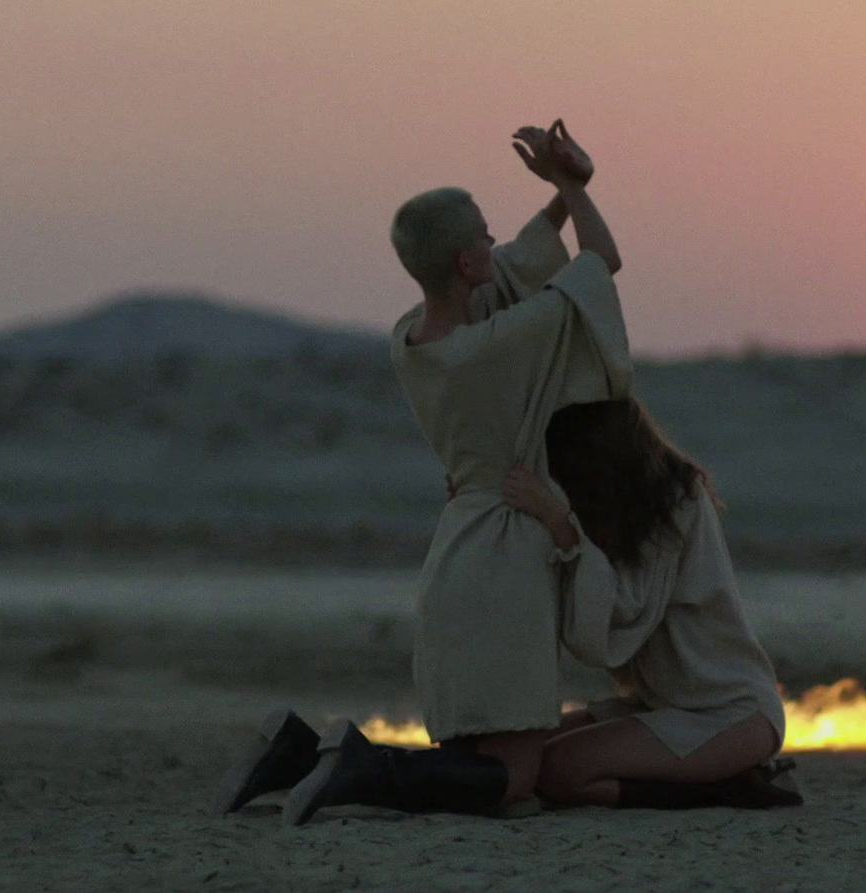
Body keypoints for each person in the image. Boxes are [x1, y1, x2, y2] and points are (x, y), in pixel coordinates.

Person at [214, 121, 631, 823]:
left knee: (490, 766)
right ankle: (357, 767)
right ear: (468, 266)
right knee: (509, 779)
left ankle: (296, 753)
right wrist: (570, 185)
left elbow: (524, 262)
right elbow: (600, 263)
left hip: (458, 552)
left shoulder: (412, 339)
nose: (496, 246)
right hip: (503, 560)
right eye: (484, 241)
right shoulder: (494, 346)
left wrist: (566, 195)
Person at [501, 397, 799, 809]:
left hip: (729, 712)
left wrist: (561, 527)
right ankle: (709, 776)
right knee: (518, 757)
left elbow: (626, 612)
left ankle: (725, 788)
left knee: (558, 771)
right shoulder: (614, 512)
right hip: (662, 706)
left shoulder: (676, 500)